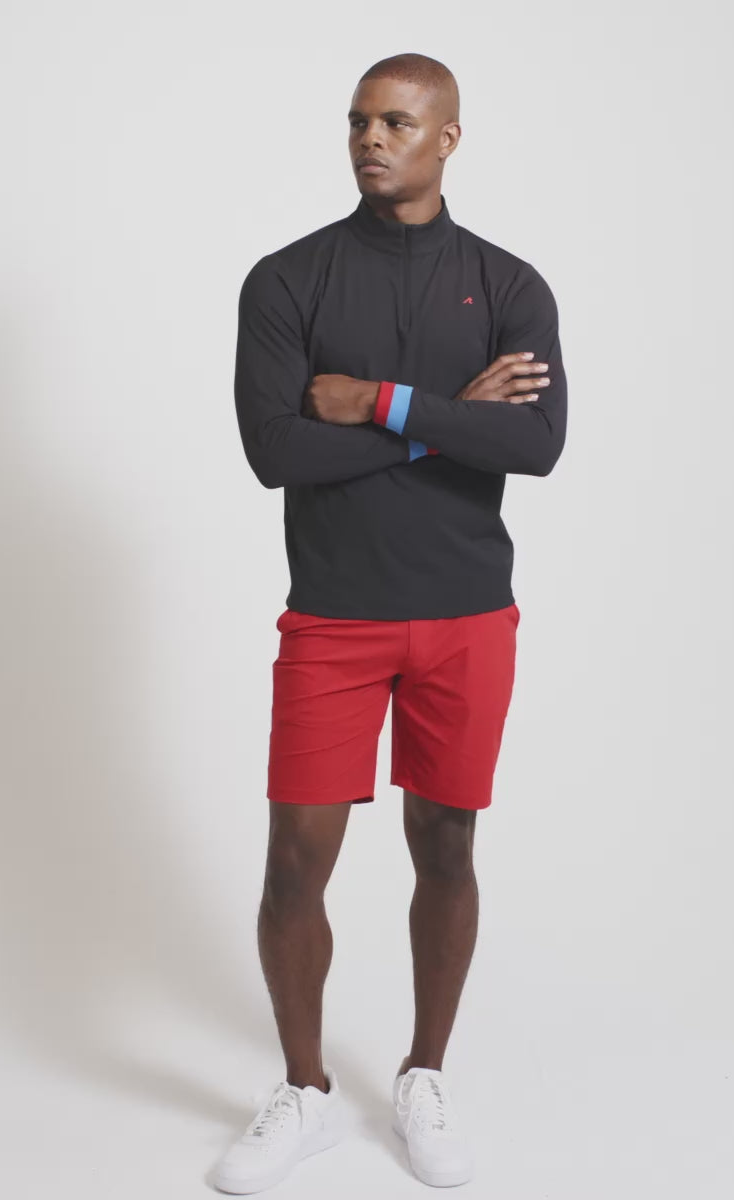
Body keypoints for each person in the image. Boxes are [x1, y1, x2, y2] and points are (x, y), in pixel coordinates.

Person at [212, 51, 567, 1195]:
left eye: (398, 123)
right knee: (292, 862)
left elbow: (534, 443)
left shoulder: (506, 285)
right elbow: (277, 450)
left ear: (447, 138)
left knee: (447, 847)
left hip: (467, 614)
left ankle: (423, 1075)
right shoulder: (287, 280)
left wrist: (375, 403)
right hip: (333, 616)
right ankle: (304, 1091)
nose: (372, 139)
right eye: (359, 120)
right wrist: (443, 424)